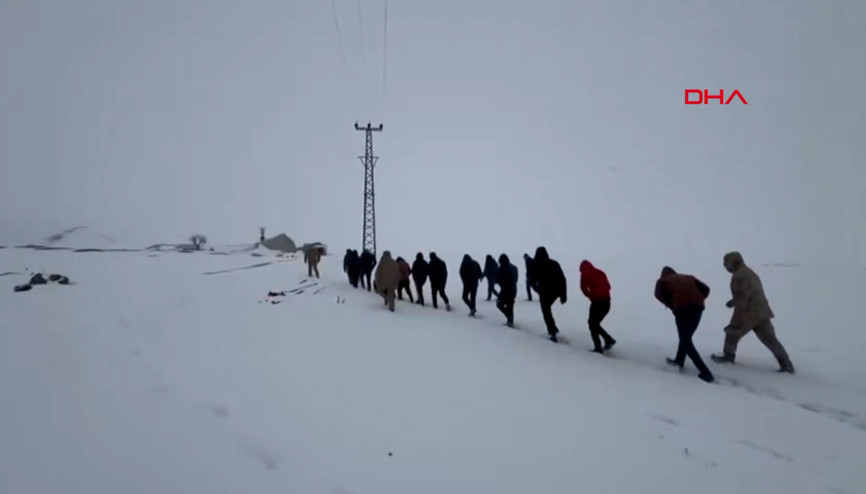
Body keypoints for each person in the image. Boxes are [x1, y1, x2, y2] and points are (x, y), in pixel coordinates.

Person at [711, 251, 795, 374]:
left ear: (734, 262)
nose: (725, 266)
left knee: (732, 334)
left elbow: (744, 298)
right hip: (761, 312)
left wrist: (738, 316)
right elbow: (750, 293)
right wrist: (734, 301)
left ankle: (728, 356)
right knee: (770, 340)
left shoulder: (738, 276)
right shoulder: (750, 273)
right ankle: (786, 363)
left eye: (727, 263)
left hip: (748, 313)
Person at [654, 266, 715, 383]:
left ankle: (706, 373)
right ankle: (679, 360)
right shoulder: (688, 277)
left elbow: (658, 295)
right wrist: (697, 298)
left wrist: (672, 304)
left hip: (682, 308)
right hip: (698, 308)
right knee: (686, 337)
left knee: (686, 341)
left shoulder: (663, 280)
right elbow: (706, 289)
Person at [579, 260, 616, 353]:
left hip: (597, 303)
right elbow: (609, 286)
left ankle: (598, 347)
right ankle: (608, 339)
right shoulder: (600, 272)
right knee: (594, 324)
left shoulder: (584, 275)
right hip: (607, 302)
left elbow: (583, 288)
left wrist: (590, 296)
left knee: (592, 324)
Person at [532, 247, 567, 342]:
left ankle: (552, 332)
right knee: (547, 310)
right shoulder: (554, 264)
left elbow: (532, 279)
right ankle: (553, 328)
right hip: (555, 292)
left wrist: (536, 289)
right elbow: (562, 279)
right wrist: (563, 294)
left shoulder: (536, 265)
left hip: (544, 292)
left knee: (546, 311)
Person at [495, 253, 518, 327]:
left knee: (499, 304)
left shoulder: (501, 268)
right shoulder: (514, 267)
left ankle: (509, 316)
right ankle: (510, 321)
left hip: (505, 290)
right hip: (513, 290)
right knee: (510, 305)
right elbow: (516, 279)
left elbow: (497, 279)